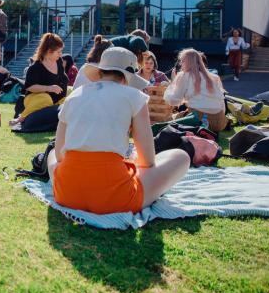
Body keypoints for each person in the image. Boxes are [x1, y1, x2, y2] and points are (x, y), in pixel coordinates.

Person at [45, 47, 189, 214]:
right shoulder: (135, 97)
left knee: (52, 155)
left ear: (100, 73)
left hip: (67, 194)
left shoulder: (74, 96)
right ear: (127, 79)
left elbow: (60, 154)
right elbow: (147, 161)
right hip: (114, 198)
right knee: (181, 157)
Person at [12, 33, 68, 129]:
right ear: (49, 51)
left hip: (57, 101)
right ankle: (21, 117)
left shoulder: (59, 61)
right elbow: (29, 87)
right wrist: (50, 88)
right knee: (45, 99)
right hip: (36, 99)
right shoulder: (36, 67)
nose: (61, 54)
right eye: (58, 52)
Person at [164, 48, 228, 132]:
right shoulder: (214, 77)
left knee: (169, 119)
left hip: (198, 120)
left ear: (188, 62)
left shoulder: (184, 75)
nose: (180, 63)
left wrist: (172, 83)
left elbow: (173, 101)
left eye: (182, 61)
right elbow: (222, 105)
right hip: (220, 122)